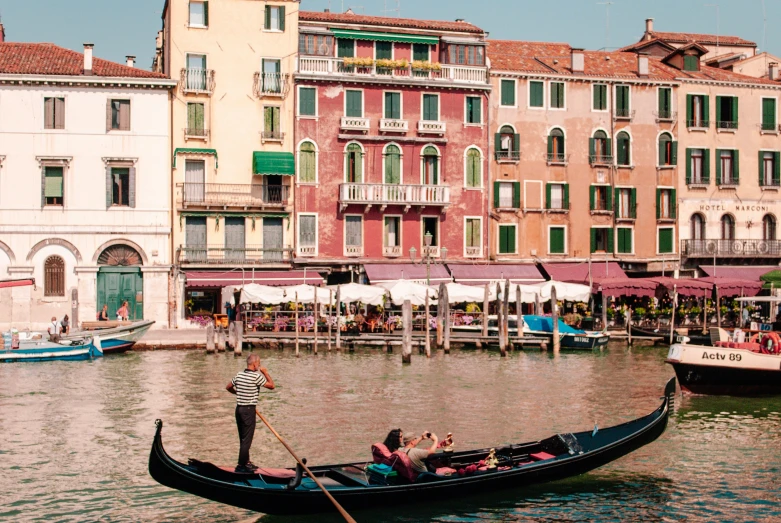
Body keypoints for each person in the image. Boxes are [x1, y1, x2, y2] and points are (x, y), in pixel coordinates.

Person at [226, 353, 275, 473]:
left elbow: (228, 387)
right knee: (246, 439)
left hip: (239, 409)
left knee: (243, 438)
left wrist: (238, 393)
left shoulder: (239, 375)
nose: (259, 365)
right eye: (259, 363)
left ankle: (246, 462)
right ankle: (241, 466)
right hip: (248, 410)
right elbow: (272, 386)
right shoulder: (256, 376)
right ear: (254, 364)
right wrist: (265, 373)